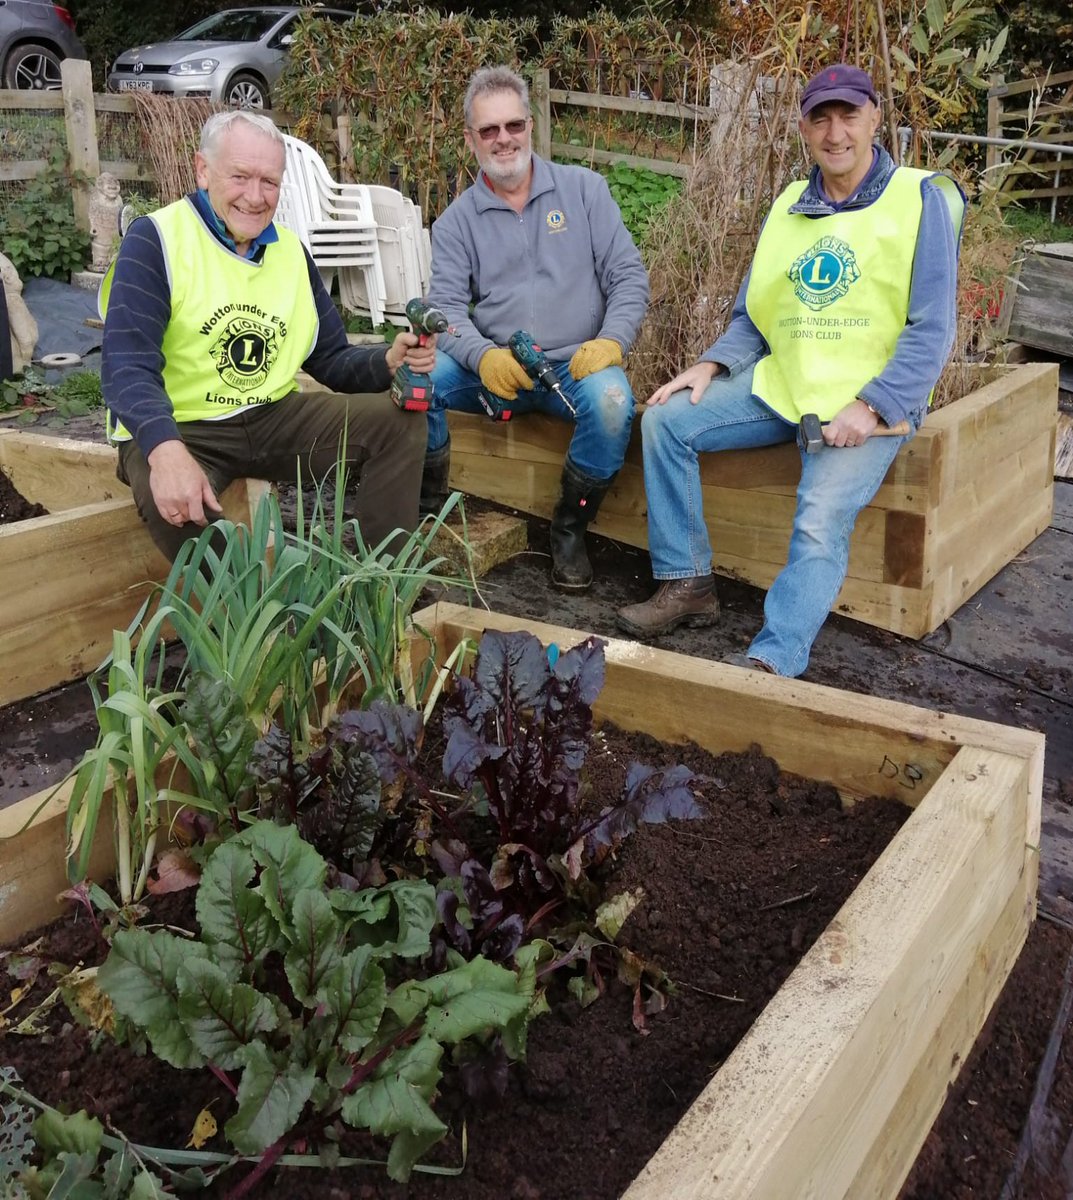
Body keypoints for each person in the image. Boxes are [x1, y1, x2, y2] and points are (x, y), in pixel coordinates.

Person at [616, 63, 965, 676]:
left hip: (864, 405)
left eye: (849, 115)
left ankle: (774, 660)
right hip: (785, 386)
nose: (836, 133)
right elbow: (756, 314)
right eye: (820, 118)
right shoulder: (788, 206)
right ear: (803, 128)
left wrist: (876, 404)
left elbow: (932, 328)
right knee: (666, 421)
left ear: (875, 119)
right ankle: (688, 582)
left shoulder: (919, 199)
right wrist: (710, 364)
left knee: (818, 519)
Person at [100, 109, 431, 563]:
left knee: (399, 423)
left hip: (271, 418)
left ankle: (380, 592)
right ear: (203, 170)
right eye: (239, 177)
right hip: (182, 428)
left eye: (269, 182)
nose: (255, 197)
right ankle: (249, 617)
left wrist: (385, 362)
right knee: (177, 508)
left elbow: (330, 357)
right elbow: (126, 366)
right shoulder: (156, 239)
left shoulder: (290, 253)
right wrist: (165, 451)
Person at [422, 65, 650, 591]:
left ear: (531, 125)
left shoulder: (584, 191)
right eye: (489, 130)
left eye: (514, 126)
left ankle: (569, 528)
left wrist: (612, 339)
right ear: (471, 139)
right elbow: (448, 310)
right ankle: (428, 513)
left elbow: (628, 277)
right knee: (422, 377)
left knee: (614, 403)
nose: (504, 139)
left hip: (575, 367)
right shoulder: (455, 223)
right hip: (499, 374)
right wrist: (483, 357)